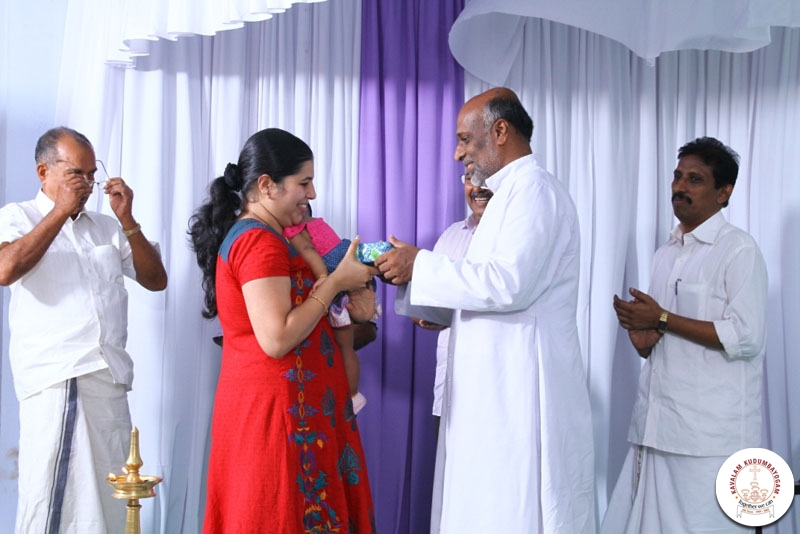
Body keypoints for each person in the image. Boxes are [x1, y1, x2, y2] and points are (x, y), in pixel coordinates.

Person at [375, 88, 595, 533]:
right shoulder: (507, 194)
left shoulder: (533, 191)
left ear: (500, 131)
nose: (458, 154)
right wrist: (410, 279)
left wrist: (422, 265)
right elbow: (482, 290)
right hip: (487, 393)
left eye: (464, 139)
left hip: (517, 392)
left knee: (509, 509)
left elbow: (508, 284)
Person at [188, 128, 378, 532]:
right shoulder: (259, 242)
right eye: (303, 183)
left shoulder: (277, 236)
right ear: (266, 185)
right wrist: (336, 283)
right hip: (277, 418)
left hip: (296, 413)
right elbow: (277, 339)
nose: (312, 194)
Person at [0, 127, 168, 533]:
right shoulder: (17, 216)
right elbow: (6, 270)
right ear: (44, 172)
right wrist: (60, 211)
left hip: (110, 378)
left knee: (111, 500)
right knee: (56, 500)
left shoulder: (106, 227)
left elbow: (156, 279)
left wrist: (126, 219)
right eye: (76, 173)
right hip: (60, 376)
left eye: (92, 174)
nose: (88, 184)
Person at [602, 137, 767, 533]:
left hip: (708, 439)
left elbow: (746, 337)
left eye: (695, 179)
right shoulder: (666, 253)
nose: (680, 187)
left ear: (724, 193)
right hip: (656, 428)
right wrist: (641, 334)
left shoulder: (738, 250)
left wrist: (661, 318)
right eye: (677, 177)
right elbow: (658, 338)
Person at [411, 175, 493, 429]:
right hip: (449, 390)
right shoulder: (451, 235)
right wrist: (424, 312)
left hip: (493, 390)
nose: (478, 188)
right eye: (470, 179)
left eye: (486, 179)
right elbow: (428, 298)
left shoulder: (512, 235)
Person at [284, 204, 381, 414]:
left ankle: (353, 395)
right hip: (348, 266)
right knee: (346, 348)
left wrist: (322, 277)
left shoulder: (292, 230)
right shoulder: (318, 224)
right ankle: (353, 395)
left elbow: (310, 253)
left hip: (335, 278)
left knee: (344, 347)